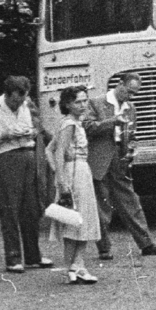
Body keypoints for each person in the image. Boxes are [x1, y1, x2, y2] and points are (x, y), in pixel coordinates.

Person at [81, 74, 156, 260]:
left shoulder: (131, 108)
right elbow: (88, 127)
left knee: (131, 202)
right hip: (99, 158)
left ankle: (146, 244)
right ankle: (104, 249)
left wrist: (131, 149)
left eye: (134, 93)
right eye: (129, 92)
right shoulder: (97, 102)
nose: (130, 96)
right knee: (102, 205)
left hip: (120, 159)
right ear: (119, 84)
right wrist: (113, 121)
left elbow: (133, 135)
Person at [0, 76, 50, 273]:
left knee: (32, 208)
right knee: (9, 209)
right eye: (15, 100)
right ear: (7, 95)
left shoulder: (26, 106)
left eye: (22, 99)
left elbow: (38, 127)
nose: (19, 103)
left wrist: (32, 132)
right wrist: (3, 135)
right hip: (6, 159)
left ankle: (33, 256)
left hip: (28, 156)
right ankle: (13, 257)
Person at [50, 86, 103, 284]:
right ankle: (75, 266)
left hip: (81, 171)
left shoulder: (74, 124)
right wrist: (61, 180)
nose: (82, 105)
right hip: (75, 173)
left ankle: (75, 266)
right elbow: (57, 151)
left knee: (81, 220)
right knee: (77, 220)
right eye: (77, 102)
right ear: (67, 104)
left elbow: (49, 149)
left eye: (84, 101)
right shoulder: (69, 124)